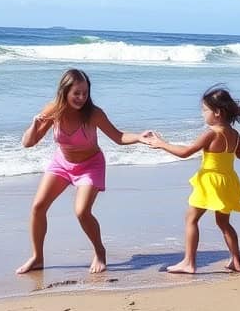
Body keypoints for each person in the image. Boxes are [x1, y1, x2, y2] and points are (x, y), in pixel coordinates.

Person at [17, 68, 148, 274]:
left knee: (81, 211)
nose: (81, 97)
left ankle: (99, 252)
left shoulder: (94, 114)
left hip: (90, 165)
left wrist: (139, 137)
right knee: (38, 206)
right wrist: (34, 126)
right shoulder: (53, 110)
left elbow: (118, 137)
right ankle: (37, 258)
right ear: (65, 91)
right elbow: (28, 143)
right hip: (62, 163)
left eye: (85, 93)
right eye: (76, 93)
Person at [143, 86, 240, 274]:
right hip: (227, 181)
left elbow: (185, 153)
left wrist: (161, 144)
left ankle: (189, 262)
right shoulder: (234, 133)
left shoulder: (212, 133)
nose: (203, 115)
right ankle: (237, 261)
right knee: (224, 223)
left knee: (191, 219)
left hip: (209, 182)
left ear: (217, 112)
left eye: (204, 110)